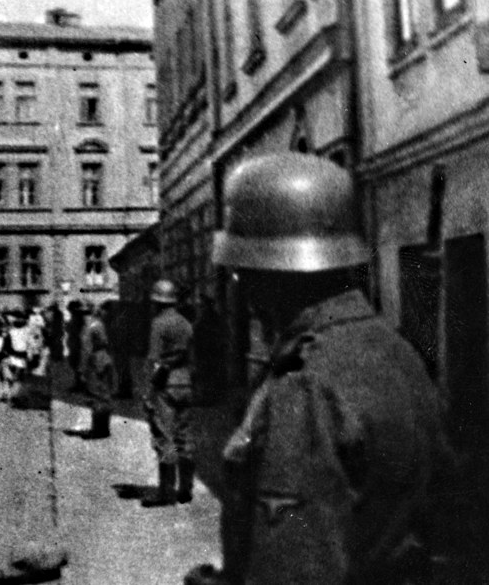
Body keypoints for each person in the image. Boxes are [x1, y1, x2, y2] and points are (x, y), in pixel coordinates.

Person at [184, 153, 451, 585]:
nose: (241, 287)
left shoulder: (304, 386)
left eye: (240, 271)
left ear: (265, 273)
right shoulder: (395, 351)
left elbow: (292, 569)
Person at [140, 278, 195, 508]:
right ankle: (185, 489)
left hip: (165, 386)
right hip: (185, 384)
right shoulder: (185, 323)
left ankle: (165, 492)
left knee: (165, 439)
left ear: (158, 301)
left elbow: (154, 360)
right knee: (185, 439)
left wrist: (147, 392)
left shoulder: (159, 323)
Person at [75, 303, 115, 439]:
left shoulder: (88, 327)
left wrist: (81, 370)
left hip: (94, 363)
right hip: (104, 360)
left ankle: (97, 430)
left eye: (82, 313)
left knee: (95, 396)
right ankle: (104, 429)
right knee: (104, 394)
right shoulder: (99, 323)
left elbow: (86, 350)